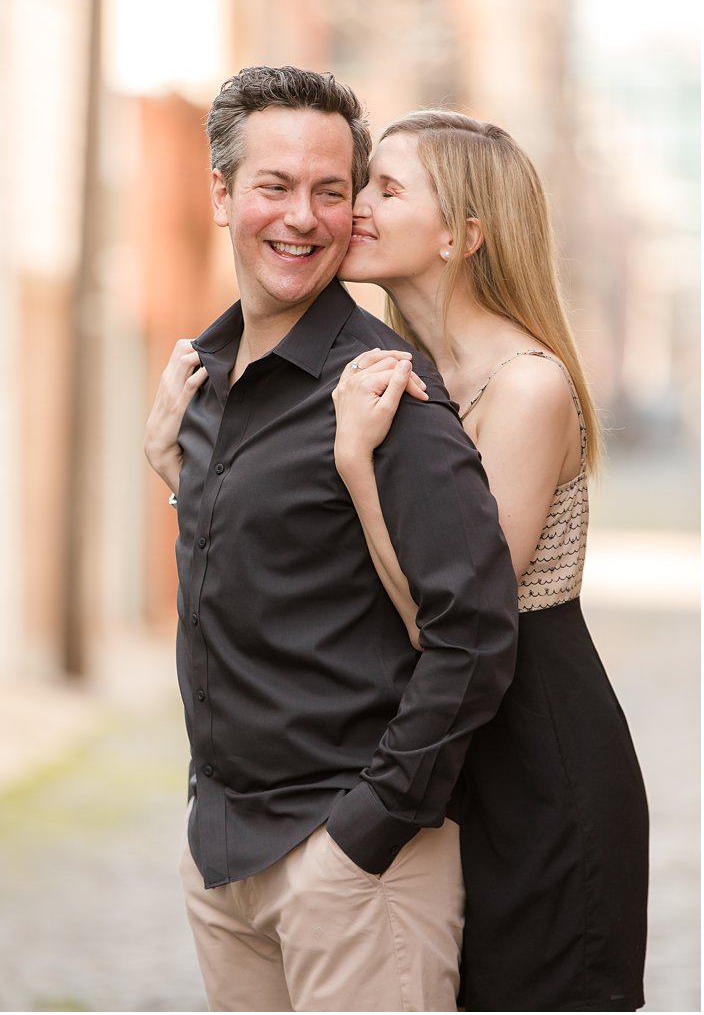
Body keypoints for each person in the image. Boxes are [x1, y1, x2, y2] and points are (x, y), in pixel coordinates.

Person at [142, 65, 520, 1011]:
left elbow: (475, 633)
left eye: (329, 191)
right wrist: (181, 486)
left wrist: (368, 831)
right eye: (275, 186)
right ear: (223, 194)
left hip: (350, 865)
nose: (302, 217)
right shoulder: (202, 381)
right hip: (225, 854)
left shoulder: (389, 396)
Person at [333, 109, 648, 1010]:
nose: (358, 206)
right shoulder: (404, 370)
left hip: (542, 764)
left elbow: (461, 619)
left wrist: (357, 464)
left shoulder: (527, 386)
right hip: (457, 756)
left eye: (387, 189)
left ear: (462, 235)